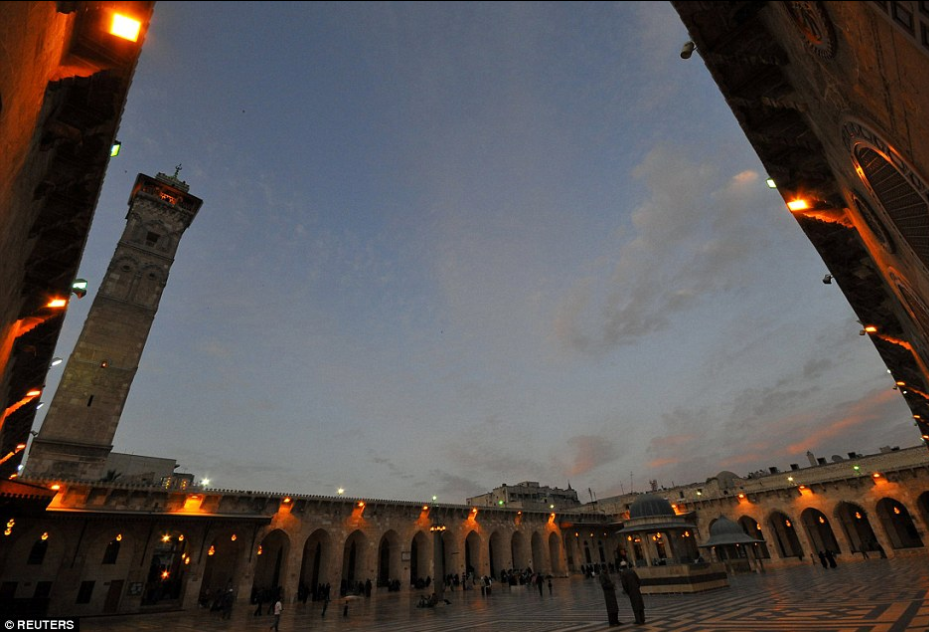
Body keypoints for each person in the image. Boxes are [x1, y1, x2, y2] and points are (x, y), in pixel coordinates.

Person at [620, 561, 645, 625]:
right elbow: (638, 580)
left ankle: (638, 620)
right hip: (636, 589)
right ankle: (642, 618)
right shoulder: (632, 571)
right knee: (640, 604)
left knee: (635, 605)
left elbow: (624, 584)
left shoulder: (623, 573)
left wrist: (628, 591)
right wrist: (637, 587)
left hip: (631, 591)